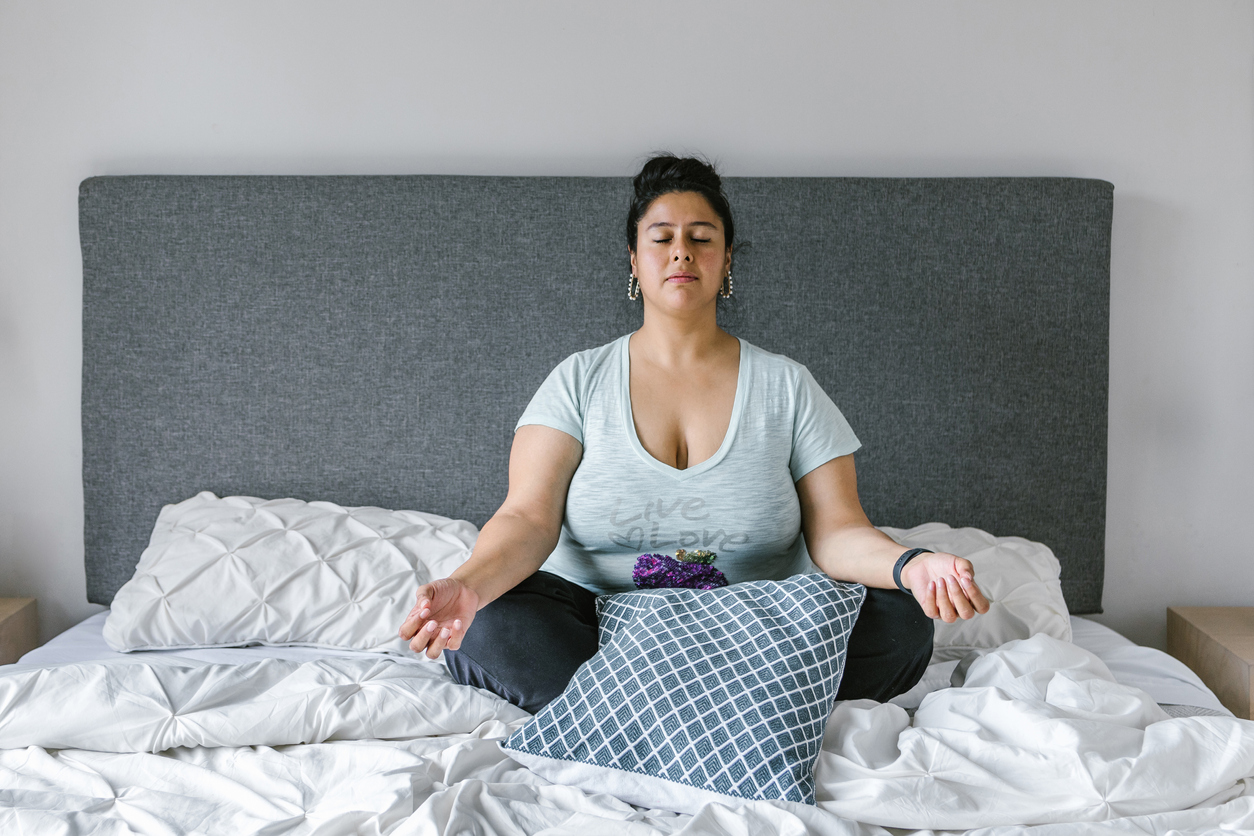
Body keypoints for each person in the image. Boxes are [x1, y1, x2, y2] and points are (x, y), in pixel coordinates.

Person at [400, 155, 989, 714]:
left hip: (757, 630)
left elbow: (838, 532)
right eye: (661, 238)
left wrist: (910, 564)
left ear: (727, 258)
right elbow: (526, 519)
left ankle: (631, 711)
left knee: (901, 620)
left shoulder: (787, 385)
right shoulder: (577, 379)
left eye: (702, 237)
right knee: (493, 625)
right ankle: (737, 713)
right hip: (599, 629)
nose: (681, 251)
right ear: (634, 259)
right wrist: (470, 587)